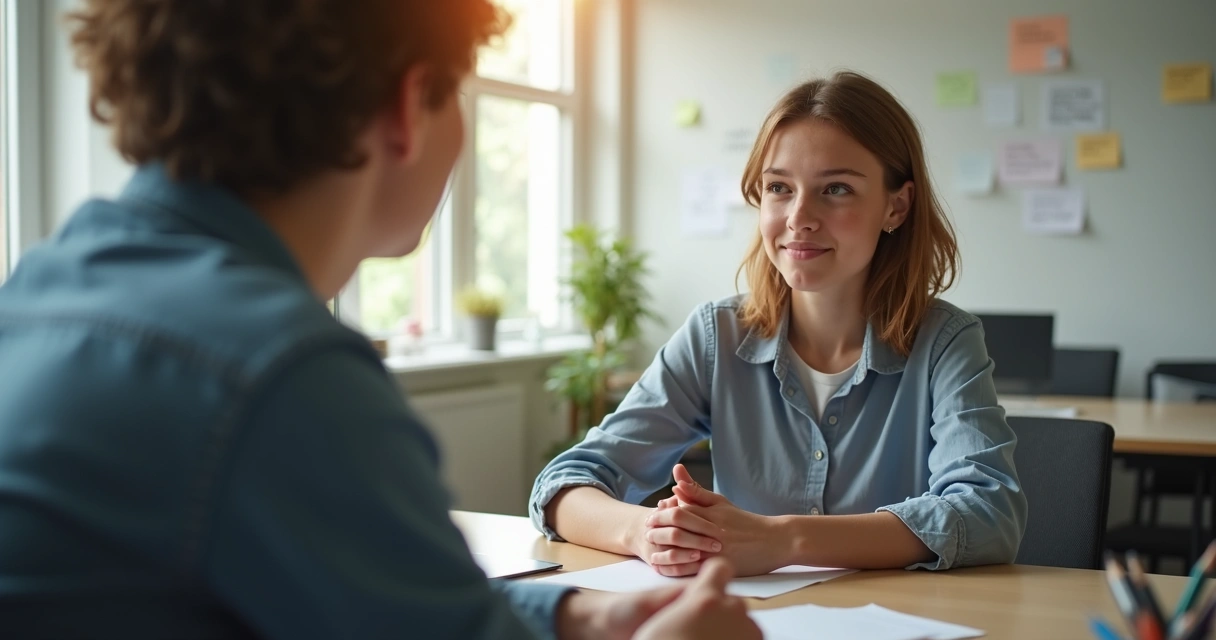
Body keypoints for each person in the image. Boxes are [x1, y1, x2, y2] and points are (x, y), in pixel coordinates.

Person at [0, 1, 762, 638]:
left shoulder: (40, 291)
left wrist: (575, 617)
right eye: (459, 93)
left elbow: (402, 606)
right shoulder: (279, 372)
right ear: (410, 105)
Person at [531, 71, 1028, 578]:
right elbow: (564, 484)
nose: (799, 217)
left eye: (836, 189)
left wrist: (784, 540)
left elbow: (989, 514)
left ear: (896, 206)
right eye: (779, 187)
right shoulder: (715, 337)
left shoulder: (945, 342)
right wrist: (646, 532)